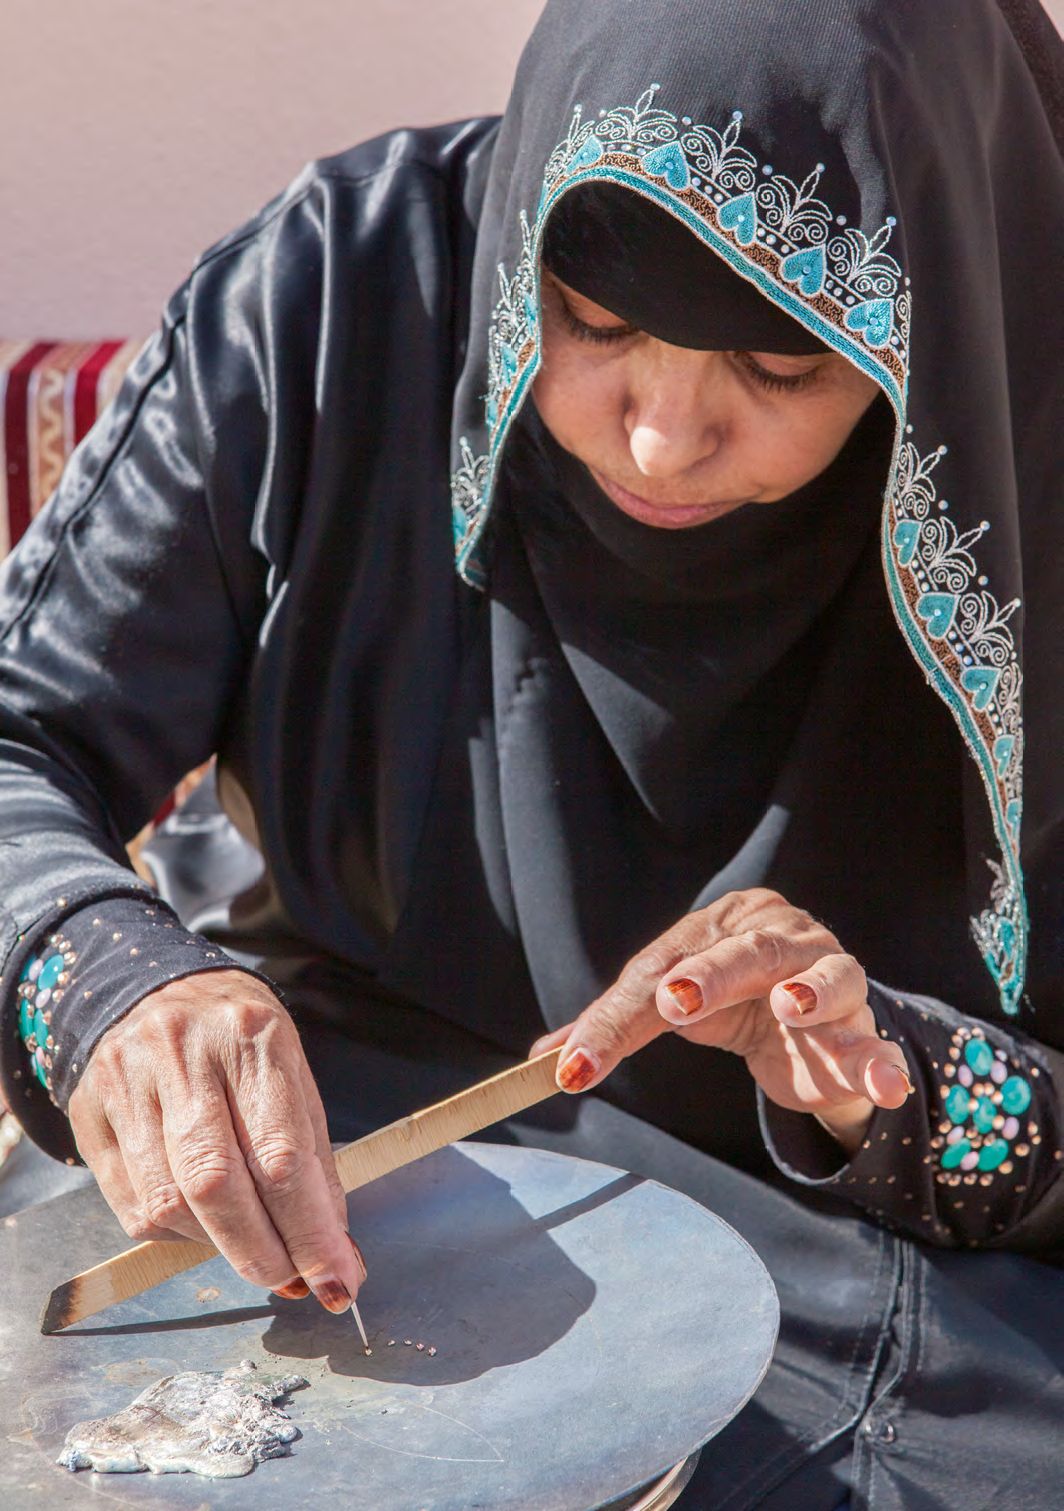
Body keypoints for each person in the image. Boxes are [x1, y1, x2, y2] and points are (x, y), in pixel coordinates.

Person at [2, 0, 1063, 1503]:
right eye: (596, 323)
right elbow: (18, 733)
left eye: (780, 364)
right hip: (341, 1145)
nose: (660, 440)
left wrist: (881, 1069)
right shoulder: (339, 295)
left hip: (866, 1256)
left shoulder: (1034, 379)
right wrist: (115, 983)